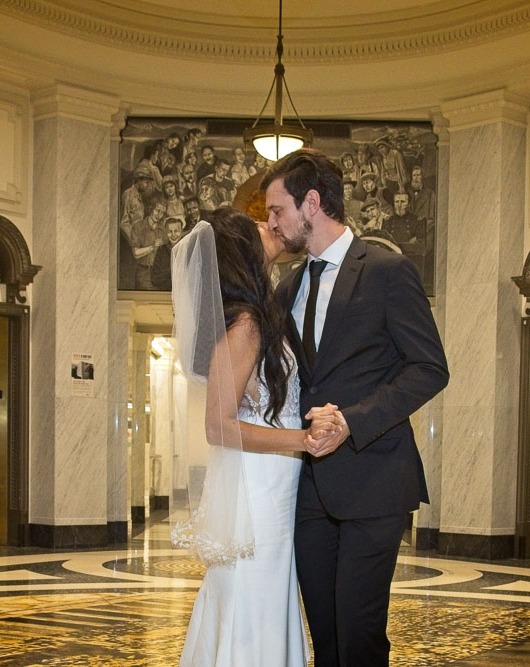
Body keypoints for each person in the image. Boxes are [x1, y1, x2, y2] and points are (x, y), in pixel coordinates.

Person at [261, 149, 449, 667]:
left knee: (360, 633)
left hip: (376, 479)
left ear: (312, 203)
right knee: (326, 633)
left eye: (278, 210)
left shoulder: (389, 271)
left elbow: (430, 368)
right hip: (308, 489)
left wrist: (351, 420)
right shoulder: (290, 286)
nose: (273, 222)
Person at [173, 207, 343, 667]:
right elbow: (218, 425)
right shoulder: (245, 324)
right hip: (258, 489)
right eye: (256, 227)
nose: (269, 225)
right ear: (239, 252)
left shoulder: (259, 316)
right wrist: (302, 440)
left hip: (274, 484)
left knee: (264, 596)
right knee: (255, 599)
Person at [150, 217, 185, 290]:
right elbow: (154, 279)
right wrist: (171, 271)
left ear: (182, 232)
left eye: (176, 231)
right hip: (165, 294)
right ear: (166, 233)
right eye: (170, 231)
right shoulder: (161, 250)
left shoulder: (188, 249)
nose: (173, 234)